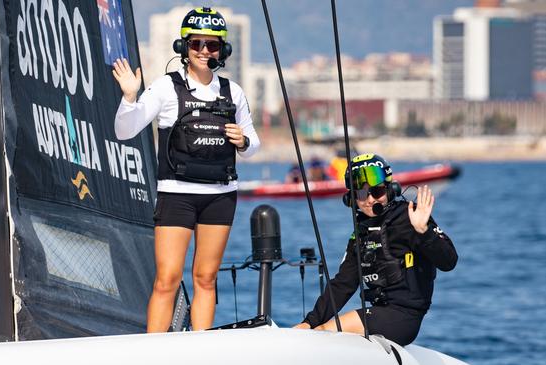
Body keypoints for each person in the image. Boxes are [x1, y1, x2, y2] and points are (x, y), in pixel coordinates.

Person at [113, 7, 259, 332]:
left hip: (220, 196)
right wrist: (128, 96)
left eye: (213, 45)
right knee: (167, 279)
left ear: (224, 50)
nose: (205, 51)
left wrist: (244, 140)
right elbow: (125, 130)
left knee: (206, 278)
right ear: (184, 47)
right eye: (197, 44)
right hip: (176, 195)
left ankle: (199, 349)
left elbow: (254, 145)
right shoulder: (166, 87)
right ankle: (154, 352)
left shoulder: (233, 92)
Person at [295, 153, 457, 346]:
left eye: (377, 191)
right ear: (352, 198)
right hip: (380, 312)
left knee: (323, 332)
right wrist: (309, 322)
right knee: (316, 329)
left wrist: (424, 231)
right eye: (362, 194)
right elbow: (343, 284)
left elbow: (449, 262)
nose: (370, 200)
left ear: (390, 190)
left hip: (404, 317)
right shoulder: (360, 234)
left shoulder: (410, 217)